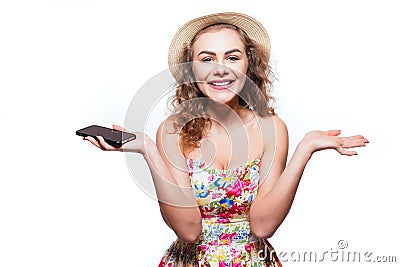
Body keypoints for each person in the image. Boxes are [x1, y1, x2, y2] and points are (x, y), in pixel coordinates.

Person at [84, 11, 368, 266]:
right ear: (191, 71)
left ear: (249, 65)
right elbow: (189, 230)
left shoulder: (271, 128)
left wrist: (306, 148)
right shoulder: (173, 131)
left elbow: (262, 226)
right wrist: (147, 148)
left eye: (232, 57)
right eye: (207, 59)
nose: (220, 68)